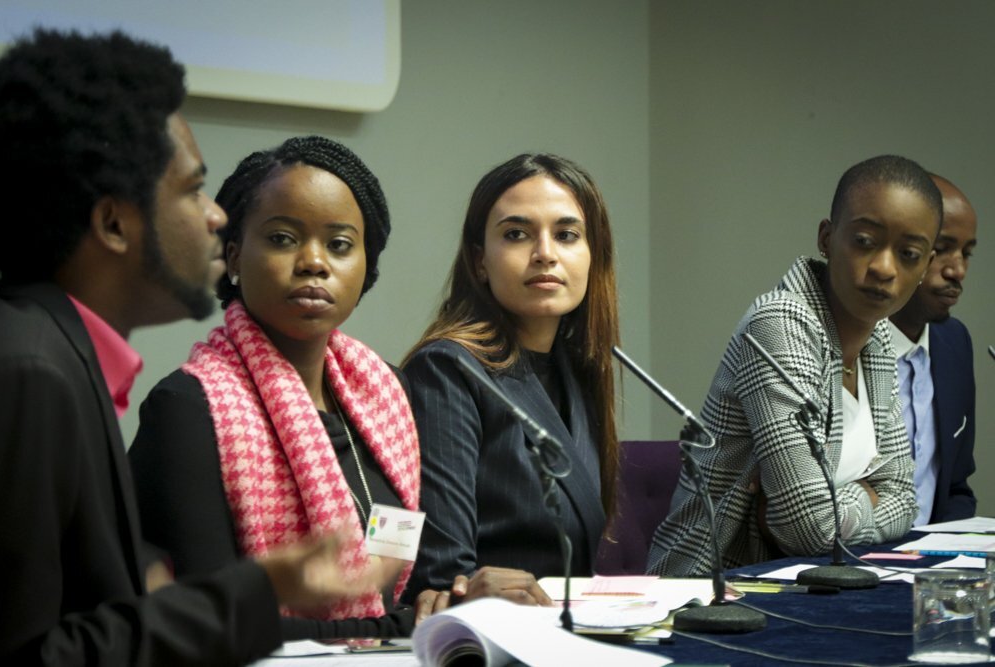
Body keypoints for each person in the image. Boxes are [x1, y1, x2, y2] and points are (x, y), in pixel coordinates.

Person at [0, 30, 364, 666]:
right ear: (114, 223)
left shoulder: (56, 351)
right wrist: (257, 593)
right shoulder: (28, 371)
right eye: (193, 191)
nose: (216, 217)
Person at [129, 136, 421, 639]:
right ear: (235, 258)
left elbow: (411, 569)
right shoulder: (188, 408)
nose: (313, 261)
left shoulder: (385, 394)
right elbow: (216, 622)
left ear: (365, 269)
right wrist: (402, 626)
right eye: (284, 238)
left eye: (340, 244)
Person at [648, 155, 939, 575]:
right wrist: (867, 498)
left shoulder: (875, 339)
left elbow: (904, 500)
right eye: (864, 241)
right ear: (826, 237)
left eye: (909, 253)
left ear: (925, 266)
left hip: (807, 584)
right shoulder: (780, 323)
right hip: (708, 590)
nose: (884, 268)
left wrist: (844, 506)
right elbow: (806, 528)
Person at [402, 153, 621, 600]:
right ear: (480, 261)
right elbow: (445, 577)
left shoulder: (577, 368)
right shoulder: (447, 369)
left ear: (593, 256)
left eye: (566, 235)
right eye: (517, 234)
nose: (545, 254)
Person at [888, 173, 978, 525]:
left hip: (926, 572)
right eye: (941, 249)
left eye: (967, 253)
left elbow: (956, 488)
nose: (958, 270)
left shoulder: (954, 343)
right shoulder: (841, 345)